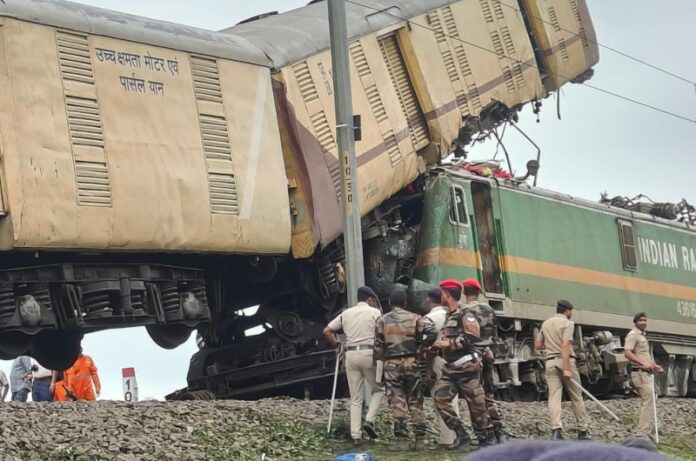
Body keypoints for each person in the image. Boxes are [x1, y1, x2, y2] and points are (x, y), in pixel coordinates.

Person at [432, 279, 496, 449]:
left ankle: (486, 440)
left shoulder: (465, 313)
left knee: (477, 407)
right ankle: (461, 434)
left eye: (442, 293)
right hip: (451, 368)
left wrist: (450, 344)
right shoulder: (449, 315)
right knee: (440, 398)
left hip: (467, 366)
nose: (441, 296)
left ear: (447, 294)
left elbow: (473, 336)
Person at [374, 288, 437, 449]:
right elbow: (432, 332)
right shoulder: (415, 318)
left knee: (397, 400)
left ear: (390, 302)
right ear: (405, 303)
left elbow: (378, 348)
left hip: (391, 365)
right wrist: (420, 346)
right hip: (412, 362)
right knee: (415, 400)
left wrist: (383, 358)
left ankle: (401, 440)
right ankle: (420, 439)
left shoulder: (382, 321)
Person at [323, 286, 384, 443]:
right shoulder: (375, 313)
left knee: (356, 397)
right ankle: (369, 421)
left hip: (350, 355)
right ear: (370, 299)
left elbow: (327, 331)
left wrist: (337, 345)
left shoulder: (346, 314)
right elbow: (382, 334)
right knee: (379, 390)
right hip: (369, 354)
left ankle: (356, 436)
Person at [535, 299, 589, 440]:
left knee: (554, 397)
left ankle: (556, 430)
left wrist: (551, 347)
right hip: (566, 361)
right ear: (568, 310)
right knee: (576, 396)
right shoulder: (568, 323)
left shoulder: (545, 323)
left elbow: (538, 345)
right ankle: (582, 431)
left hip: (550, 362)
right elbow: (565, 344)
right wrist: (566, 368)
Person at [461, 278, 506, 443]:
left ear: (465, 293)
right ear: (479, 292)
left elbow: (464, 336)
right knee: (488, 393)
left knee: (475, 397)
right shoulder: (489, 309)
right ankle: (498, 430)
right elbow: (495, 334)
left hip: (472, 358)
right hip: (488, 355)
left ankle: (484, 434)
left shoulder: (463, 311)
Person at [423, 286, 458, 446]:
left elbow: (426, 345)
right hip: (455, 360)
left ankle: (446, 439)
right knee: (453, 400)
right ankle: (456, 436)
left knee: (440, 399)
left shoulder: (429, 319)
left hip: (438, 360)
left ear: (429, 300)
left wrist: (427, 370)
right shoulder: (453, 315)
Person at [623, 312, 663, 437]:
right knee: (648, 400)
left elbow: (642, 355)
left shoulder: (642, 336)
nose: (643, 322)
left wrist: (653, 365)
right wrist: (643, 363)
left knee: (648, 401)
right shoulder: (633, 335)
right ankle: (642, 433)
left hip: (644, 372)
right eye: (641, 320)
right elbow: (628, 353)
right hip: (639, 373)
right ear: (635, 322)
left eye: (645, 320)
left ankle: (645, 431)